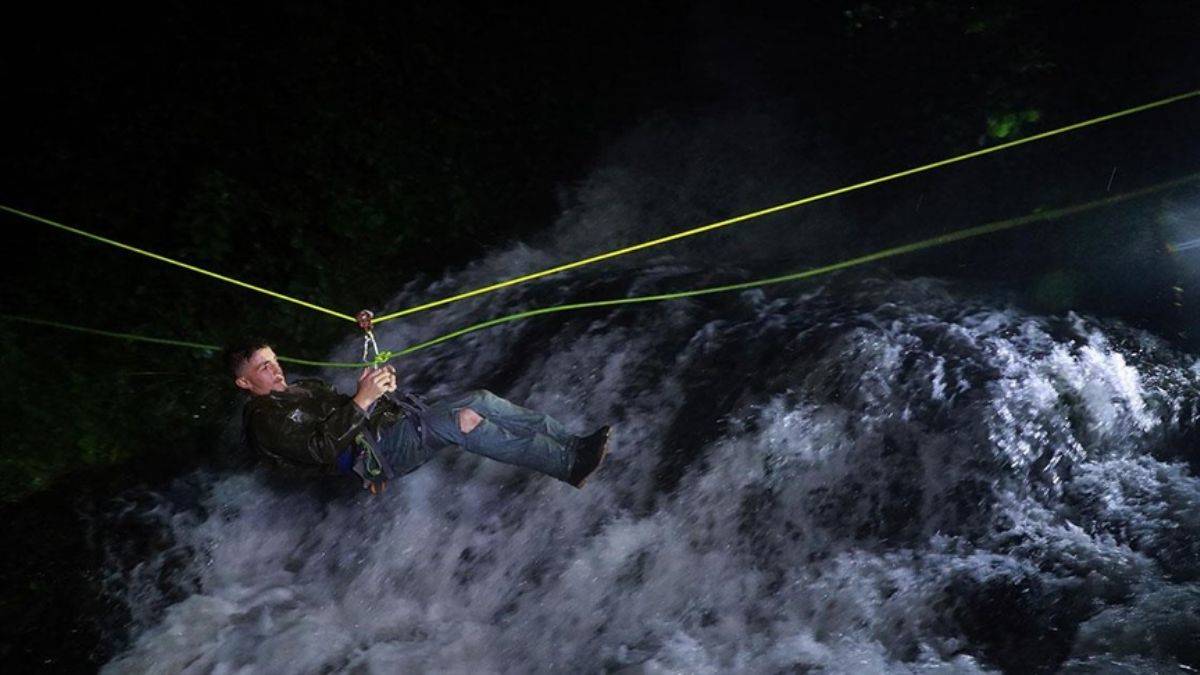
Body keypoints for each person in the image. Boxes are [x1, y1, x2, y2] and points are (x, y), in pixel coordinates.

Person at [224, 340, 610, 492]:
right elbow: (322, 448)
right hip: (376, 454)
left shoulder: (304, 386)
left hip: (388, 427)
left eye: (273, 361)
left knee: (481, 399)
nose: (275, 370)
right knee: (464, 421)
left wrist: (375, 391)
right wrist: (363, 399)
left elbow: (349, 410)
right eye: (262, 368)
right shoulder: (263, 420)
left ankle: (572, 442)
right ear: (244, 383)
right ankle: (569, 464)